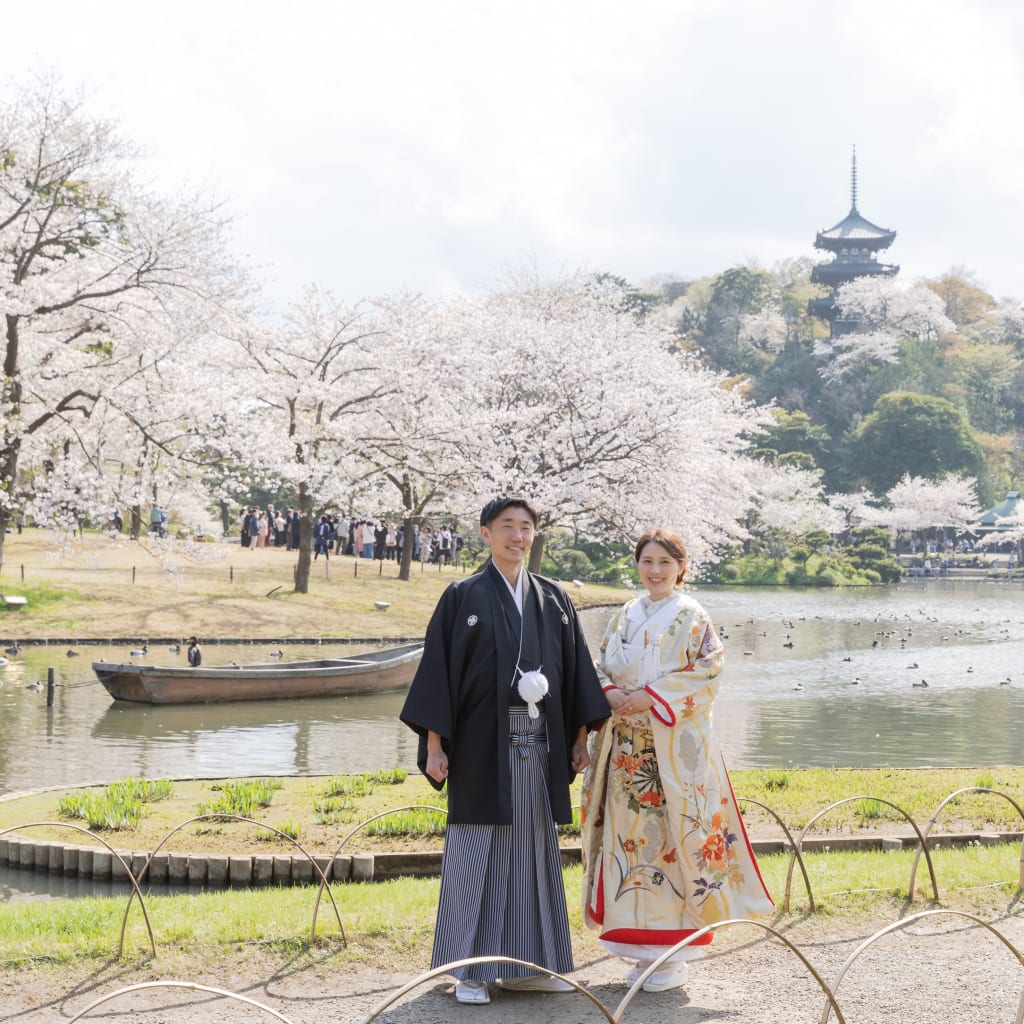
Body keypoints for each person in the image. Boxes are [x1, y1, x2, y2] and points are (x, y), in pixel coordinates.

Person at [400, 496, 609, 1006]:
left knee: (533, 852)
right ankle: (467, 970)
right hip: (478, 744)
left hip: (539, 744)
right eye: (507, 526)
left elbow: (577, 669)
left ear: (535, 536)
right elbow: (439, 674)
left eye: (526, 528)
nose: (517, 536)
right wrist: (433, 744)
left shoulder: (553, 596)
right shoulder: (462, 595)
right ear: (485, 533)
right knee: (476, 849)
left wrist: (580, 738)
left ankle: (531, 966)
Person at [580, 528, 773, 994]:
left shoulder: (693, 616)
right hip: (627, 748)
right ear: (638, 565)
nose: (655, 570)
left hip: (671, 749)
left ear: (681, 567)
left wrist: (649, 696)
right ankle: (639, 947)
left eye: (665, 562)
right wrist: (610, 692)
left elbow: (708, 671)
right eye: (647, 561)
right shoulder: (625, 614)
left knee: (675, 840)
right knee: (630, 843)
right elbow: (601, 662)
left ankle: (673, 953)